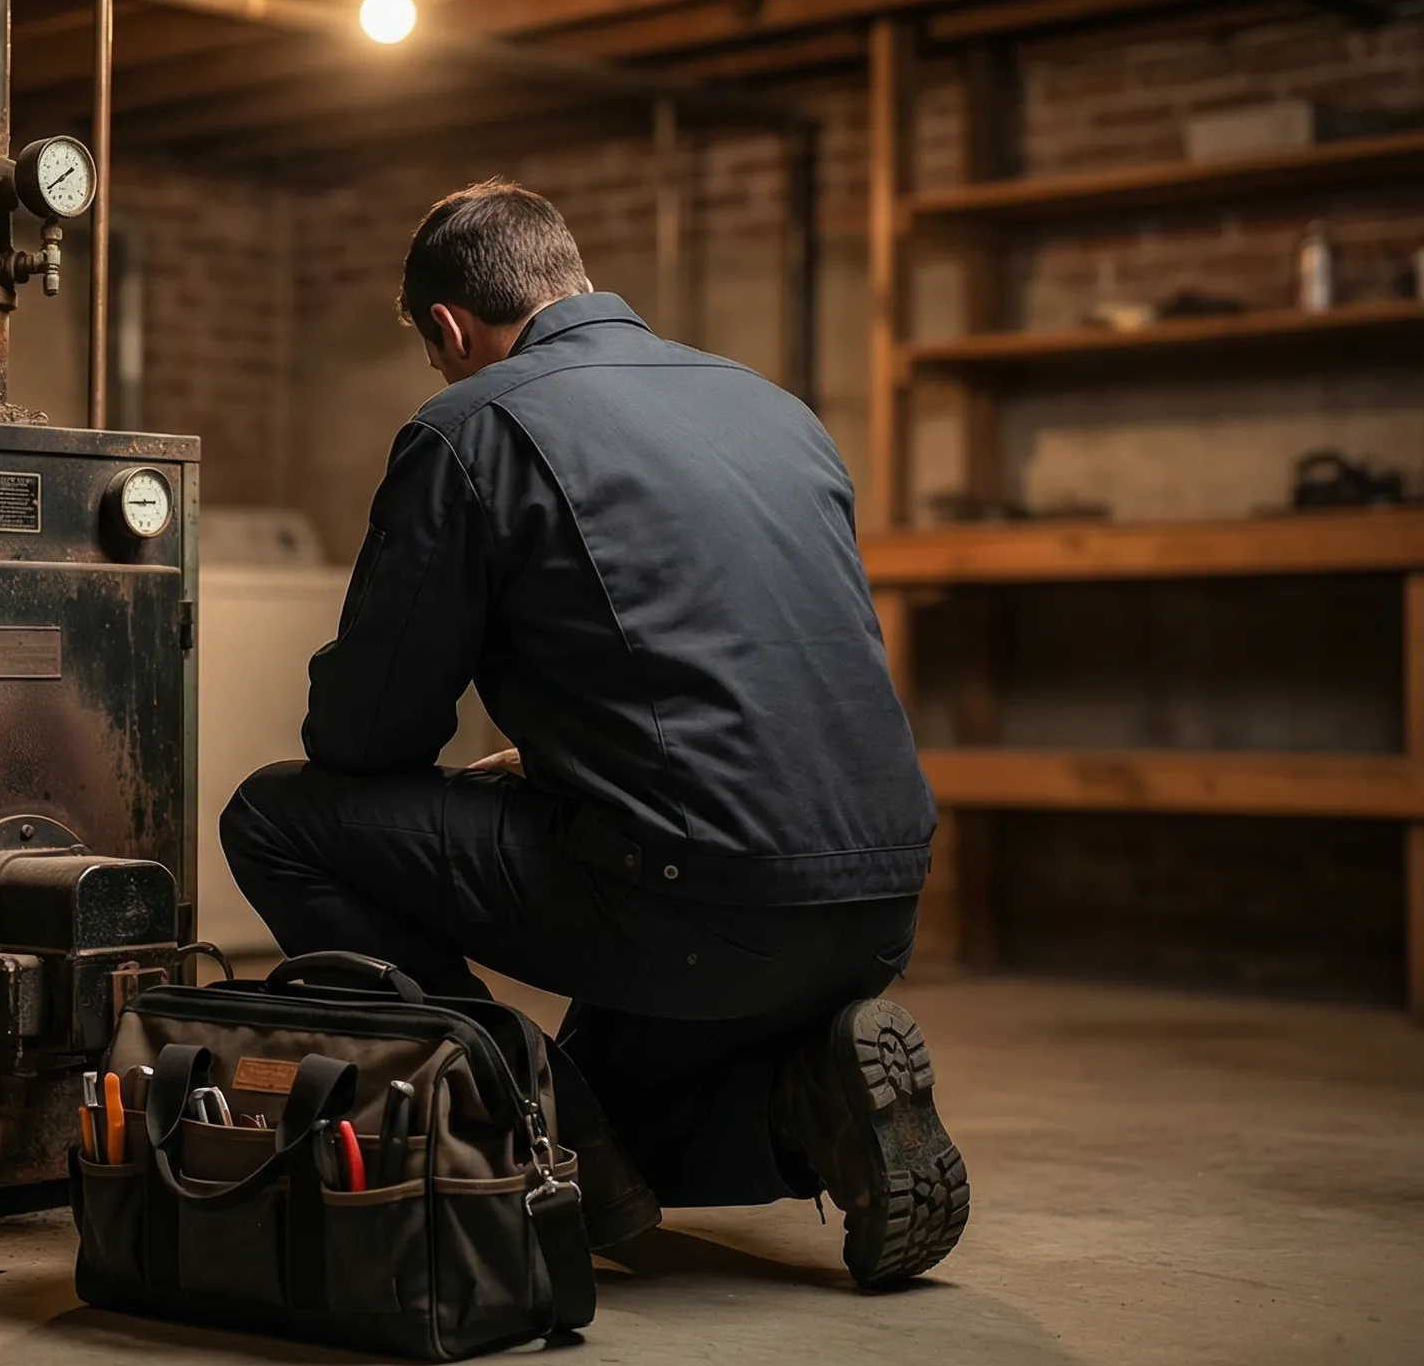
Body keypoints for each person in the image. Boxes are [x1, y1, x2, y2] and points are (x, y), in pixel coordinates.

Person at [219, 179, 968, 1290]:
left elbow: (368, 735)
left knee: (277, 816)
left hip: (694, 900)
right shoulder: (771, 406)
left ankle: (527, 1136)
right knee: (618, 1111)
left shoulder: (472, 424)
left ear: (446, 328)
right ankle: (809, 1106)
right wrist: (573, 752)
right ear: (567, 276)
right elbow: (741, 666)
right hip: (873, 904)